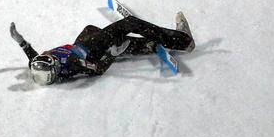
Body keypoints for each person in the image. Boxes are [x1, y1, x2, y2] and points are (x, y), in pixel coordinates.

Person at [10, 12, 195, 85]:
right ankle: (183, 41)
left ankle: (145, 46)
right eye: (45, 78)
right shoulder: (74, 64)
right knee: (129, 23)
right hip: (91, 49)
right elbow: (97, 69)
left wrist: (21, 42)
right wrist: (111, 54)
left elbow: (33, 57)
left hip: (81, 42)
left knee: (91, 29)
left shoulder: (39, 65)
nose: (42, 77)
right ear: (55, 68)